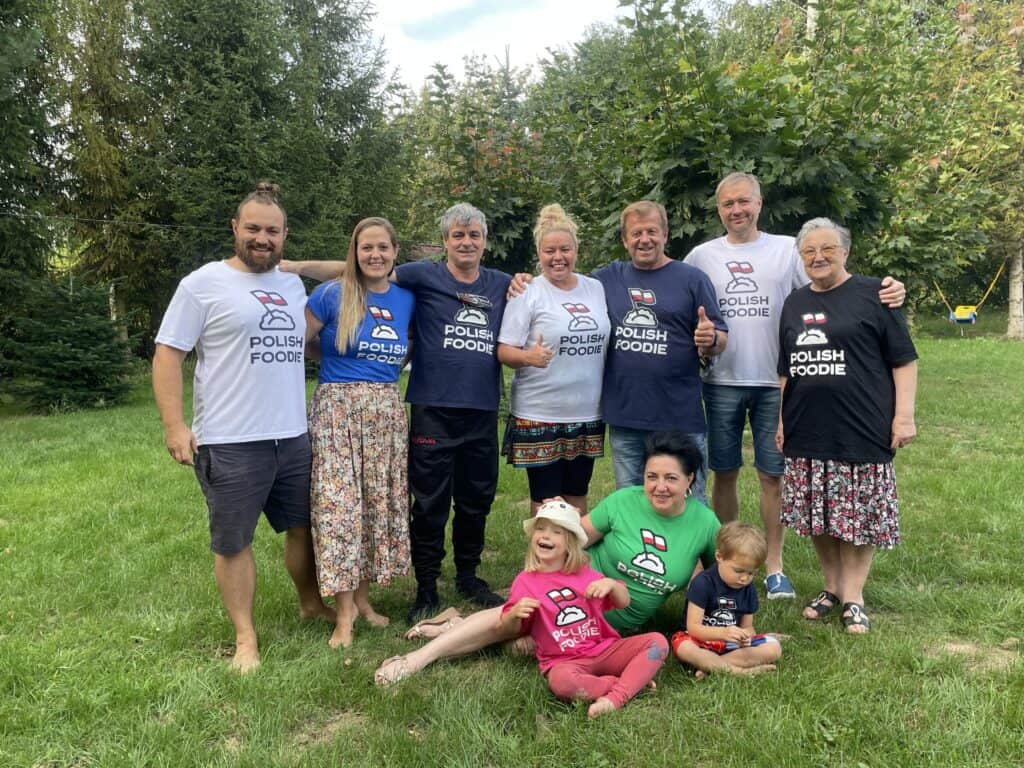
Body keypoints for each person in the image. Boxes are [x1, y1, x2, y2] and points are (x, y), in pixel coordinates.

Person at [283, 203, 514, 622]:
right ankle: (426, 587)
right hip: (430, 408)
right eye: (457, 235)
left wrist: (529, 282)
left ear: (485, 240)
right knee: (428, 501)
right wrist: (295, 265)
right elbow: (358, 269)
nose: (466, 242)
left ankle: (468, 576)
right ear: (444, 241)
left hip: (481, 407)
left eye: (474, 235)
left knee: (476, 498)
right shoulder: (420, 276)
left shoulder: (502, 283)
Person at [684, 172, 906, 600]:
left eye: (744, 202)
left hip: (778, 384)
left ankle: (773, 567)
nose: (736, 210)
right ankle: (728, 558)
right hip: (722, 381)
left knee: (773, 477)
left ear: (759, 203)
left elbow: (832, 287)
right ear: (718, 209)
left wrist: (888, 289)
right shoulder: (700, 256)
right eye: (728, 204)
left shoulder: (788, 249)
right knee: (724, 473)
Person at [152, 183, 331, 674]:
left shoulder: (293, 285)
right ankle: (245, 638)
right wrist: (174, 425)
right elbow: (168, 353)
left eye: (272, 231)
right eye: (252, 228)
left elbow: (353, 269)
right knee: (234, 541)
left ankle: (311, 603)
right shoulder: (203, 284)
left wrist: (296, 266)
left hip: (292, 435)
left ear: (284, 236)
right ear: (235, 229)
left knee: (304, 528)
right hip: (229, 440)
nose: (262, 238)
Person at [374, 431, 720, 685]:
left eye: (671, 478)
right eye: (651, 476)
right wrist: (554, 533)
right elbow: (574, 537)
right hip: (572, 592)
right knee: (507, 621)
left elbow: (715, 581)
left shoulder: (704, 524)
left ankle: (453, 624)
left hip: (610, 628)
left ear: (690, 480)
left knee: (519, 644)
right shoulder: (624, 501)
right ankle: (415, 661)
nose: (659, 486)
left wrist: (716, 636)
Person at [508, 201, 729, 502]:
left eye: (652, 231)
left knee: (689, 504)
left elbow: (719, 337)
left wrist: (711, 337)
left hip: (680, 415)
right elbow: (563, 283)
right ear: (625, 240)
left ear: (665, 234)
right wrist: (523, 282)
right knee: (631, 504)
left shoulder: (692, 279)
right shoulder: (605, 280)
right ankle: (637, 552)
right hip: (627, 419)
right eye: (636, 233)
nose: (644, 239)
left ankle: (691, 551)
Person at [776, 218, 918, 634]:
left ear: (845, 252)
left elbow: (903, 359)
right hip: (806, 427)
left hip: (862, 424)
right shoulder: (794, 303)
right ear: (801, 257)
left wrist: (904, 415)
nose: (818, 257)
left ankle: (854, 596)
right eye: (809, 251)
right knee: (818, 513)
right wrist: (782, 420)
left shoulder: (876, 295)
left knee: (857, 515)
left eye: (827, 249)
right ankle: (831, 586)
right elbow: (786, 370)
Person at [304, 217, 415, 648]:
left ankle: (364, 600)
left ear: (394, 251)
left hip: (386, 409)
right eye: (366, 247)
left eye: (383, 247)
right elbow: (299, 342)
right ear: (354, 251)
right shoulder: (332, 294)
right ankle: (344, 611)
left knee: (373, 505)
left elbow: (406, 349)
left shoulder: (406, 299)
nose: (375, 255)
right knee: (340, 508)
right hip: (338, 410)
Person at [499, 500, 668, 718]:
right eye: (539, 529)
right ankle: (624, 685)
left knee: (657, 642)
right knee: (561, 683)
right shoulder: (525, 582)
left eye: (556, 531)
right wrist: (514, 614)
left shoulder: (584, 573)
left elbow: (623, 602)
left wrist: (612, 585)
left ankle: (615, 698)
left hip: (605, 649)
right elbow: (508, 627)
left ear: (570, 542)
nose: (545, 535)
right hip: (563, 662)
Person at [497, 204, 610, 514]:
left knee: (576, 496)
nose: (558, 257)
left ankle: (575, 562)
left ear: (576, 250)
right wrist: (528, 357)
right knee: (547, 501)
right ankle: (543, 563)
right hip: (541, 412)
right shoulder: (528, 291)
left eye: (565, 249)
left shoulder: (596, 288)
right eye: (550, 251)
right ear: (539, 253)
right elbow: (504, 350)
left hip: (587, 411)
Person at [672, 521, 782, 677]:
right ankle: (737, 671)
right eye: (738, 570)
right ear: (719, 557)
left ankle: (711, 666)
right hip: (699, 641)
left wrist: (745, 636)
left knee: (774, 648)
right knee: (683, 647)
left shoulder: (748, 589)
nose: (744, 578)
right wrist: (723, 633)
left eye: (751, 573)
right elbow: (693, 627)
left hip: (731, 645)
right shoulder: (703, 583)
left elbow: (748, 627)